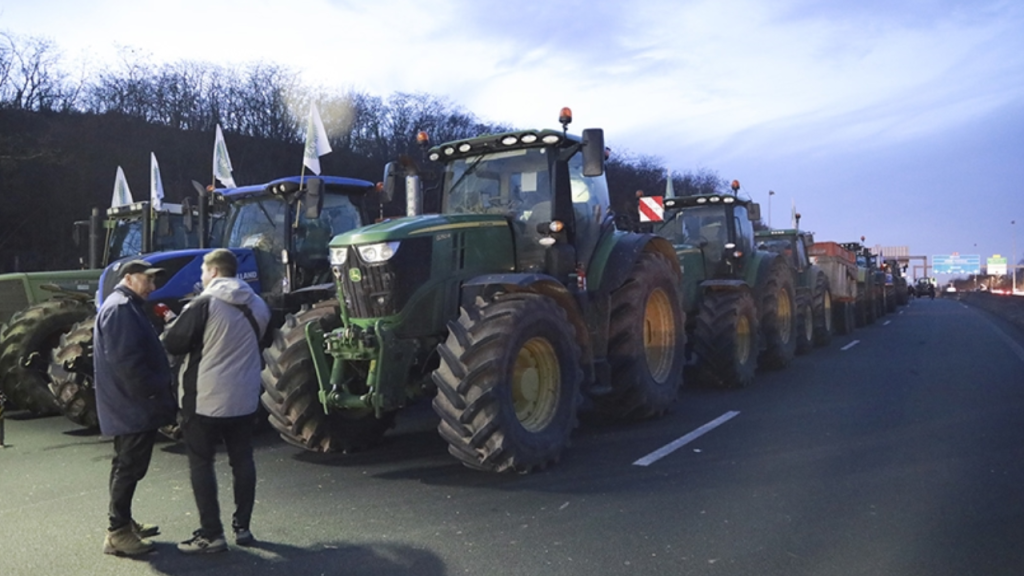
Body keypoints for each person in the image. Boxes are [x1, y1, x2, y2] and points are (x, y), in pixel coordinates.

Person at [162, 249, 270, 554]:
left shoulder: (204, 304)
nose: (201, 277)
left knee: (201, 464)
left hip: (204, 400)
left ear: (214, 272)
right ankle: (243, 527)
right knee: (242, 460)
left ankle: (212, 534)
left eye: (202, 272)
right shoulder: (258, 305)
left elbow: (174, 343)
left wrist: (172, 323)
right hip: (245, 397)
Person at [94, 259, 176, 556]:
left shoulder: (124, 306)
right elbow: (128, 364)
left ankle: (123, 523)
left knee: (125, 466)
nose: (152, 288)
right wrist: (153, 395)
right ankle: (117, 533)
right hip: (132, 406)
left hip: (129, 405)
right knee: (129, 468)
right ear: (128, 279)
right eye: (147, 281)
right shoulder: (120, 309)